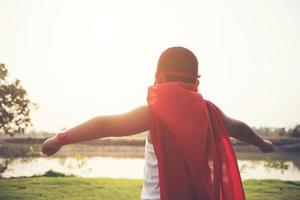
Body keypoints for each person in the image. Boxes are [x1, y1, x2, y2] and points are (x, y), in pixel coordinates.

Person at [41, 47, 274, 200]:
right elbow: (238, 128)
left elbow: (105, 125)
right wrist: (261, 142)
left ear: (158, 78)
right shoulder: (210, 112)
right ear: (197, 81)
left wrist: (61, 138)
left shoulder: (153, 114)